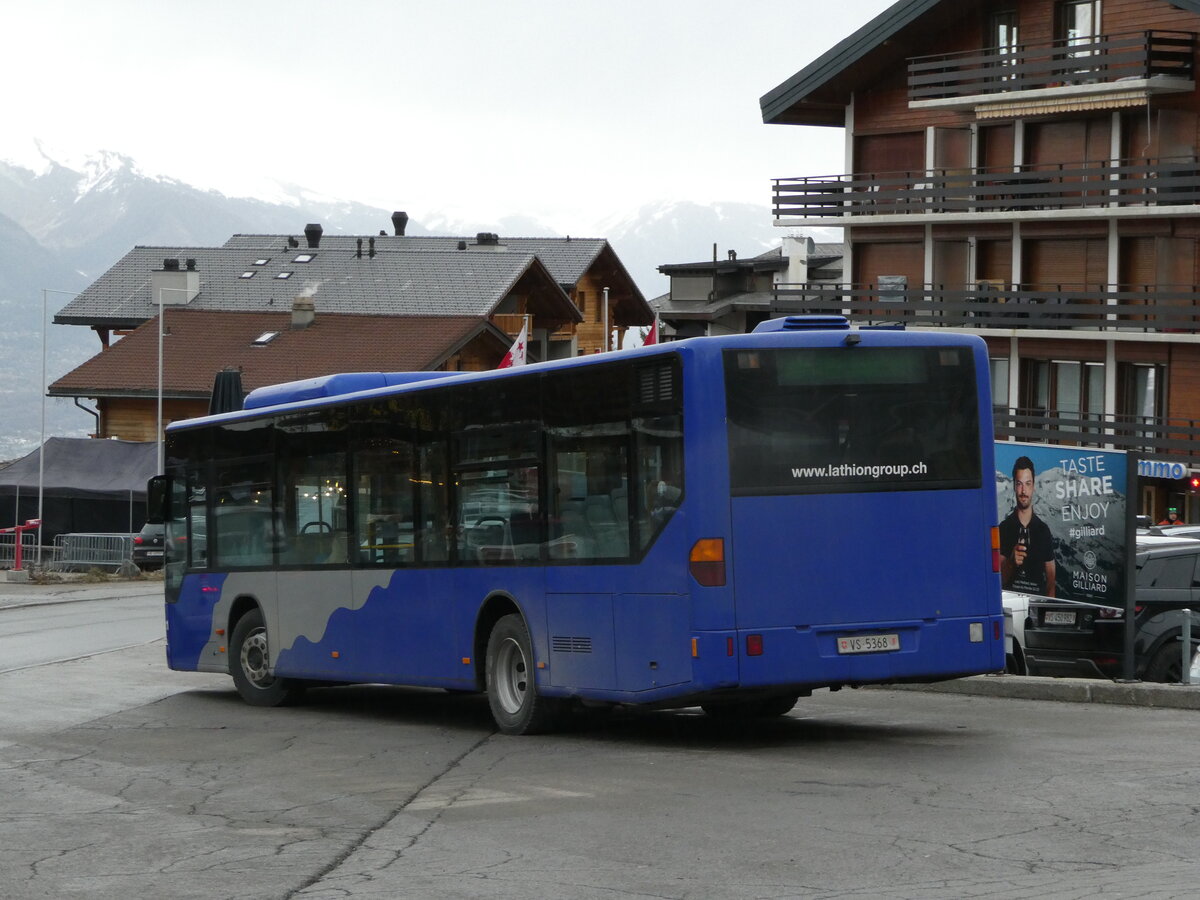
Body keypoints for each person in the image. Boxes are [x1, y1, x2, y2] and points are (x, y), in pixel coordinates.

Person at [999, 456, 1056, 597]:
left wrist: (1049, 607)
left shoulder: (1043, 531)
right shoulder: (1003, 529)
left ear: (1034, 486)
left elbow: (1051, 583)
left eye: (1028, 484)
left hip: (1037, 605)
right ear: (1014, 486)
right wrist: (1011, 563)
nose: (1023, 491)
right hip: (1011, 605)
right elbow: (997, 581)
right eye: (1019, 484)